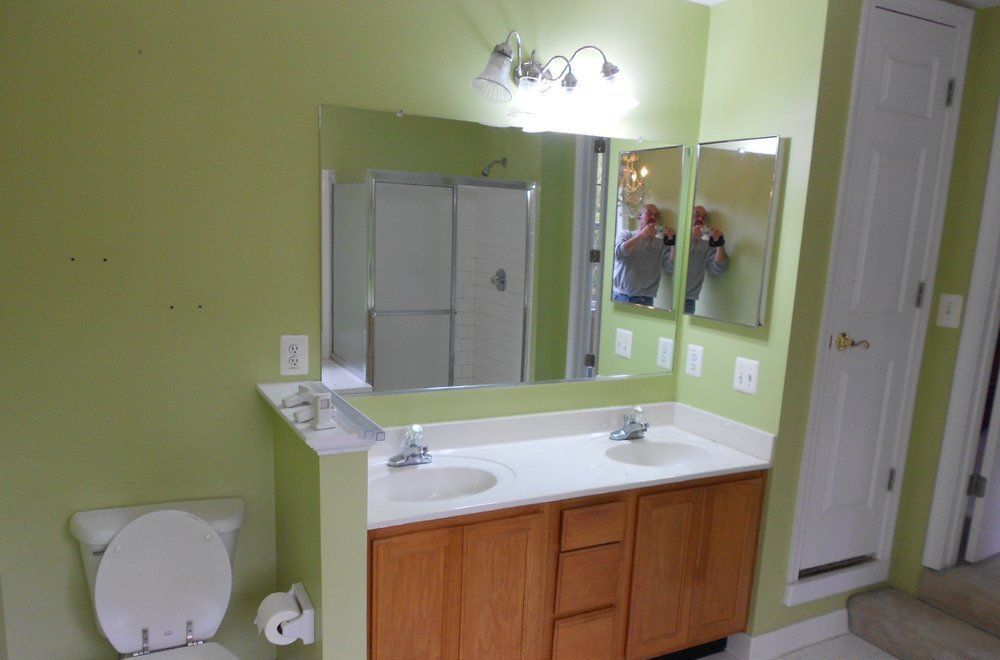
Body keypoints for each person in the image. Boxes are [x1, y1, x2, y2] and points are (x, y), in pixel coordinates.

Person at [612, 203, 676, 306]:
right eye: (649, 214)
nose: (653, 218)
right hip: (619, 296)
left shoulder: (661, 244)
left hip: (644, 300)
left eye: (656, 216)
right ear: (639, 216)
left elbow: (670, 268)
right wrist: (641, 235)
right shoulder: (626, 234)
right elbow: (618, 254)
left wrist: (673, 243)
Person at [683, 205, 728, 313]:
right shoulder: (675, 238)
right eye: (696, 215)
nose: (700, 220)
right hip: (670, 297)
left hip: (689, 300)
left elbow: (718, 269)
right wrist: (690, 237)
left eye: (703, 218)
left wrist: (720, 245)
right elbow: (672, 265)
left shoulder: (706, 246)